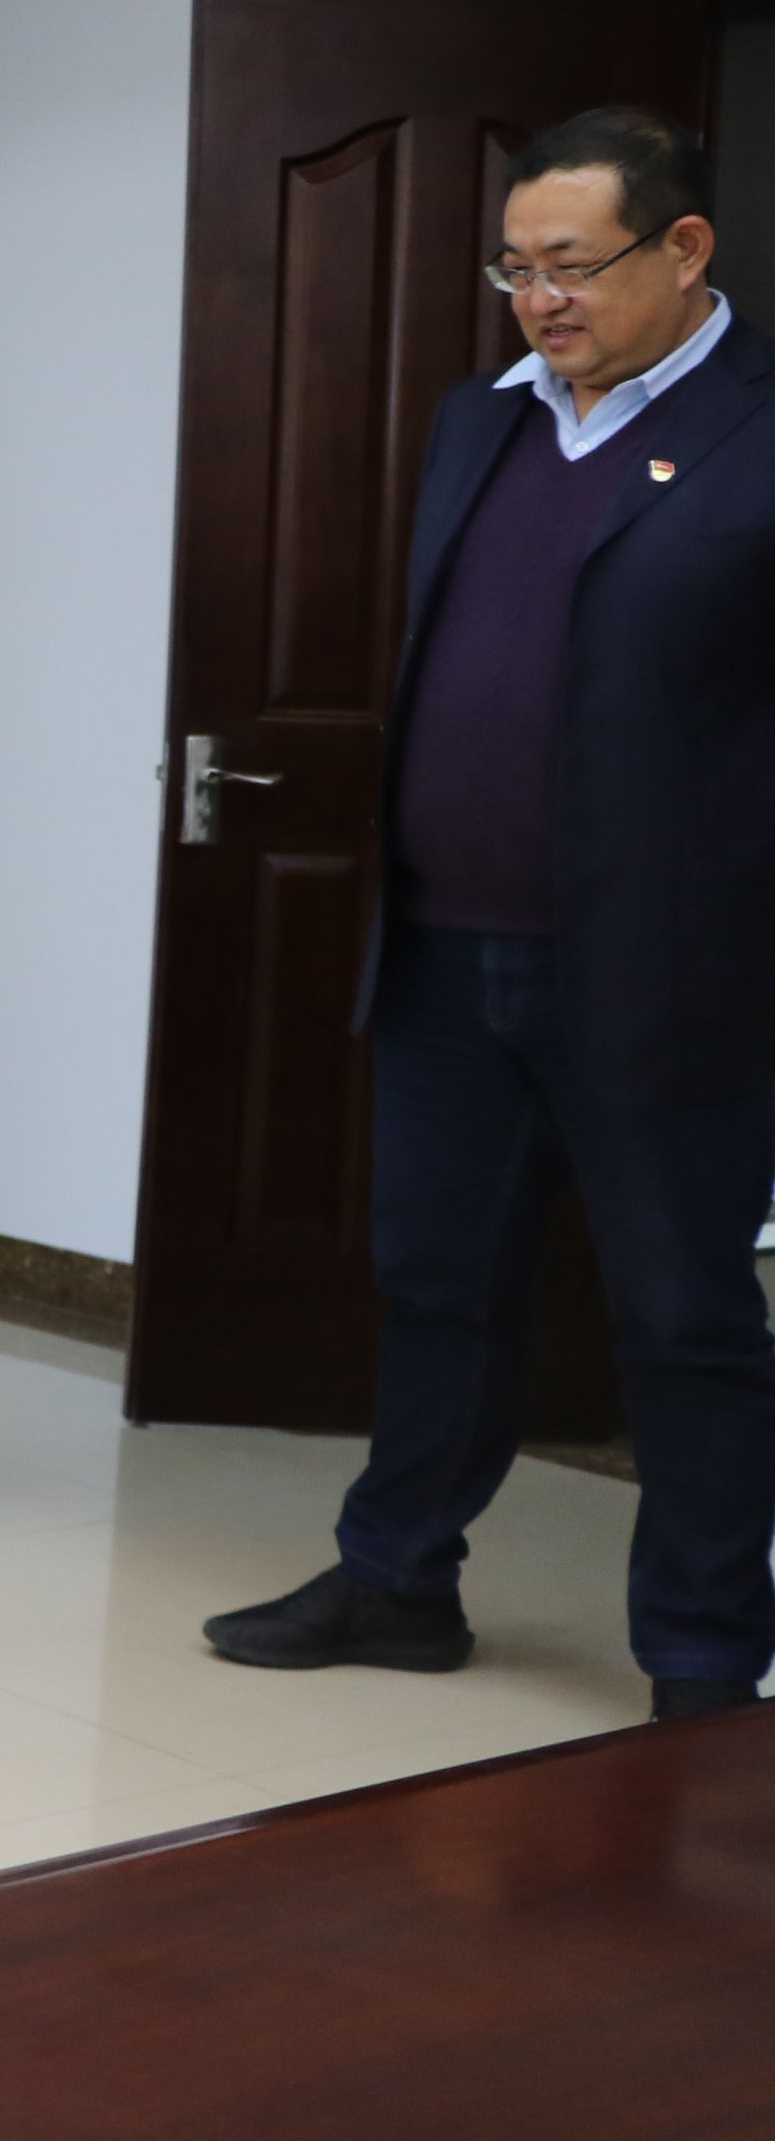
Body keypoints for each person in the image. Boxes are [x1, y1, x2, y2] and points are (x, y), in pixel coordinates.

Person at [205, 107, 775, 1723]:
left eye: (568, 265)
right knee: (437, 1287)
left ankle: (700, 1657)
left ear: (682, 248)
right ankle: (397, 1579)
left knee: (682, 1320)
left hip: (666, 974)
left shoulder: (755, 425)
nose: (536, 299)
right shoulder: (481, 418)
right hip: (446, 953)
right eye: (513, 269)